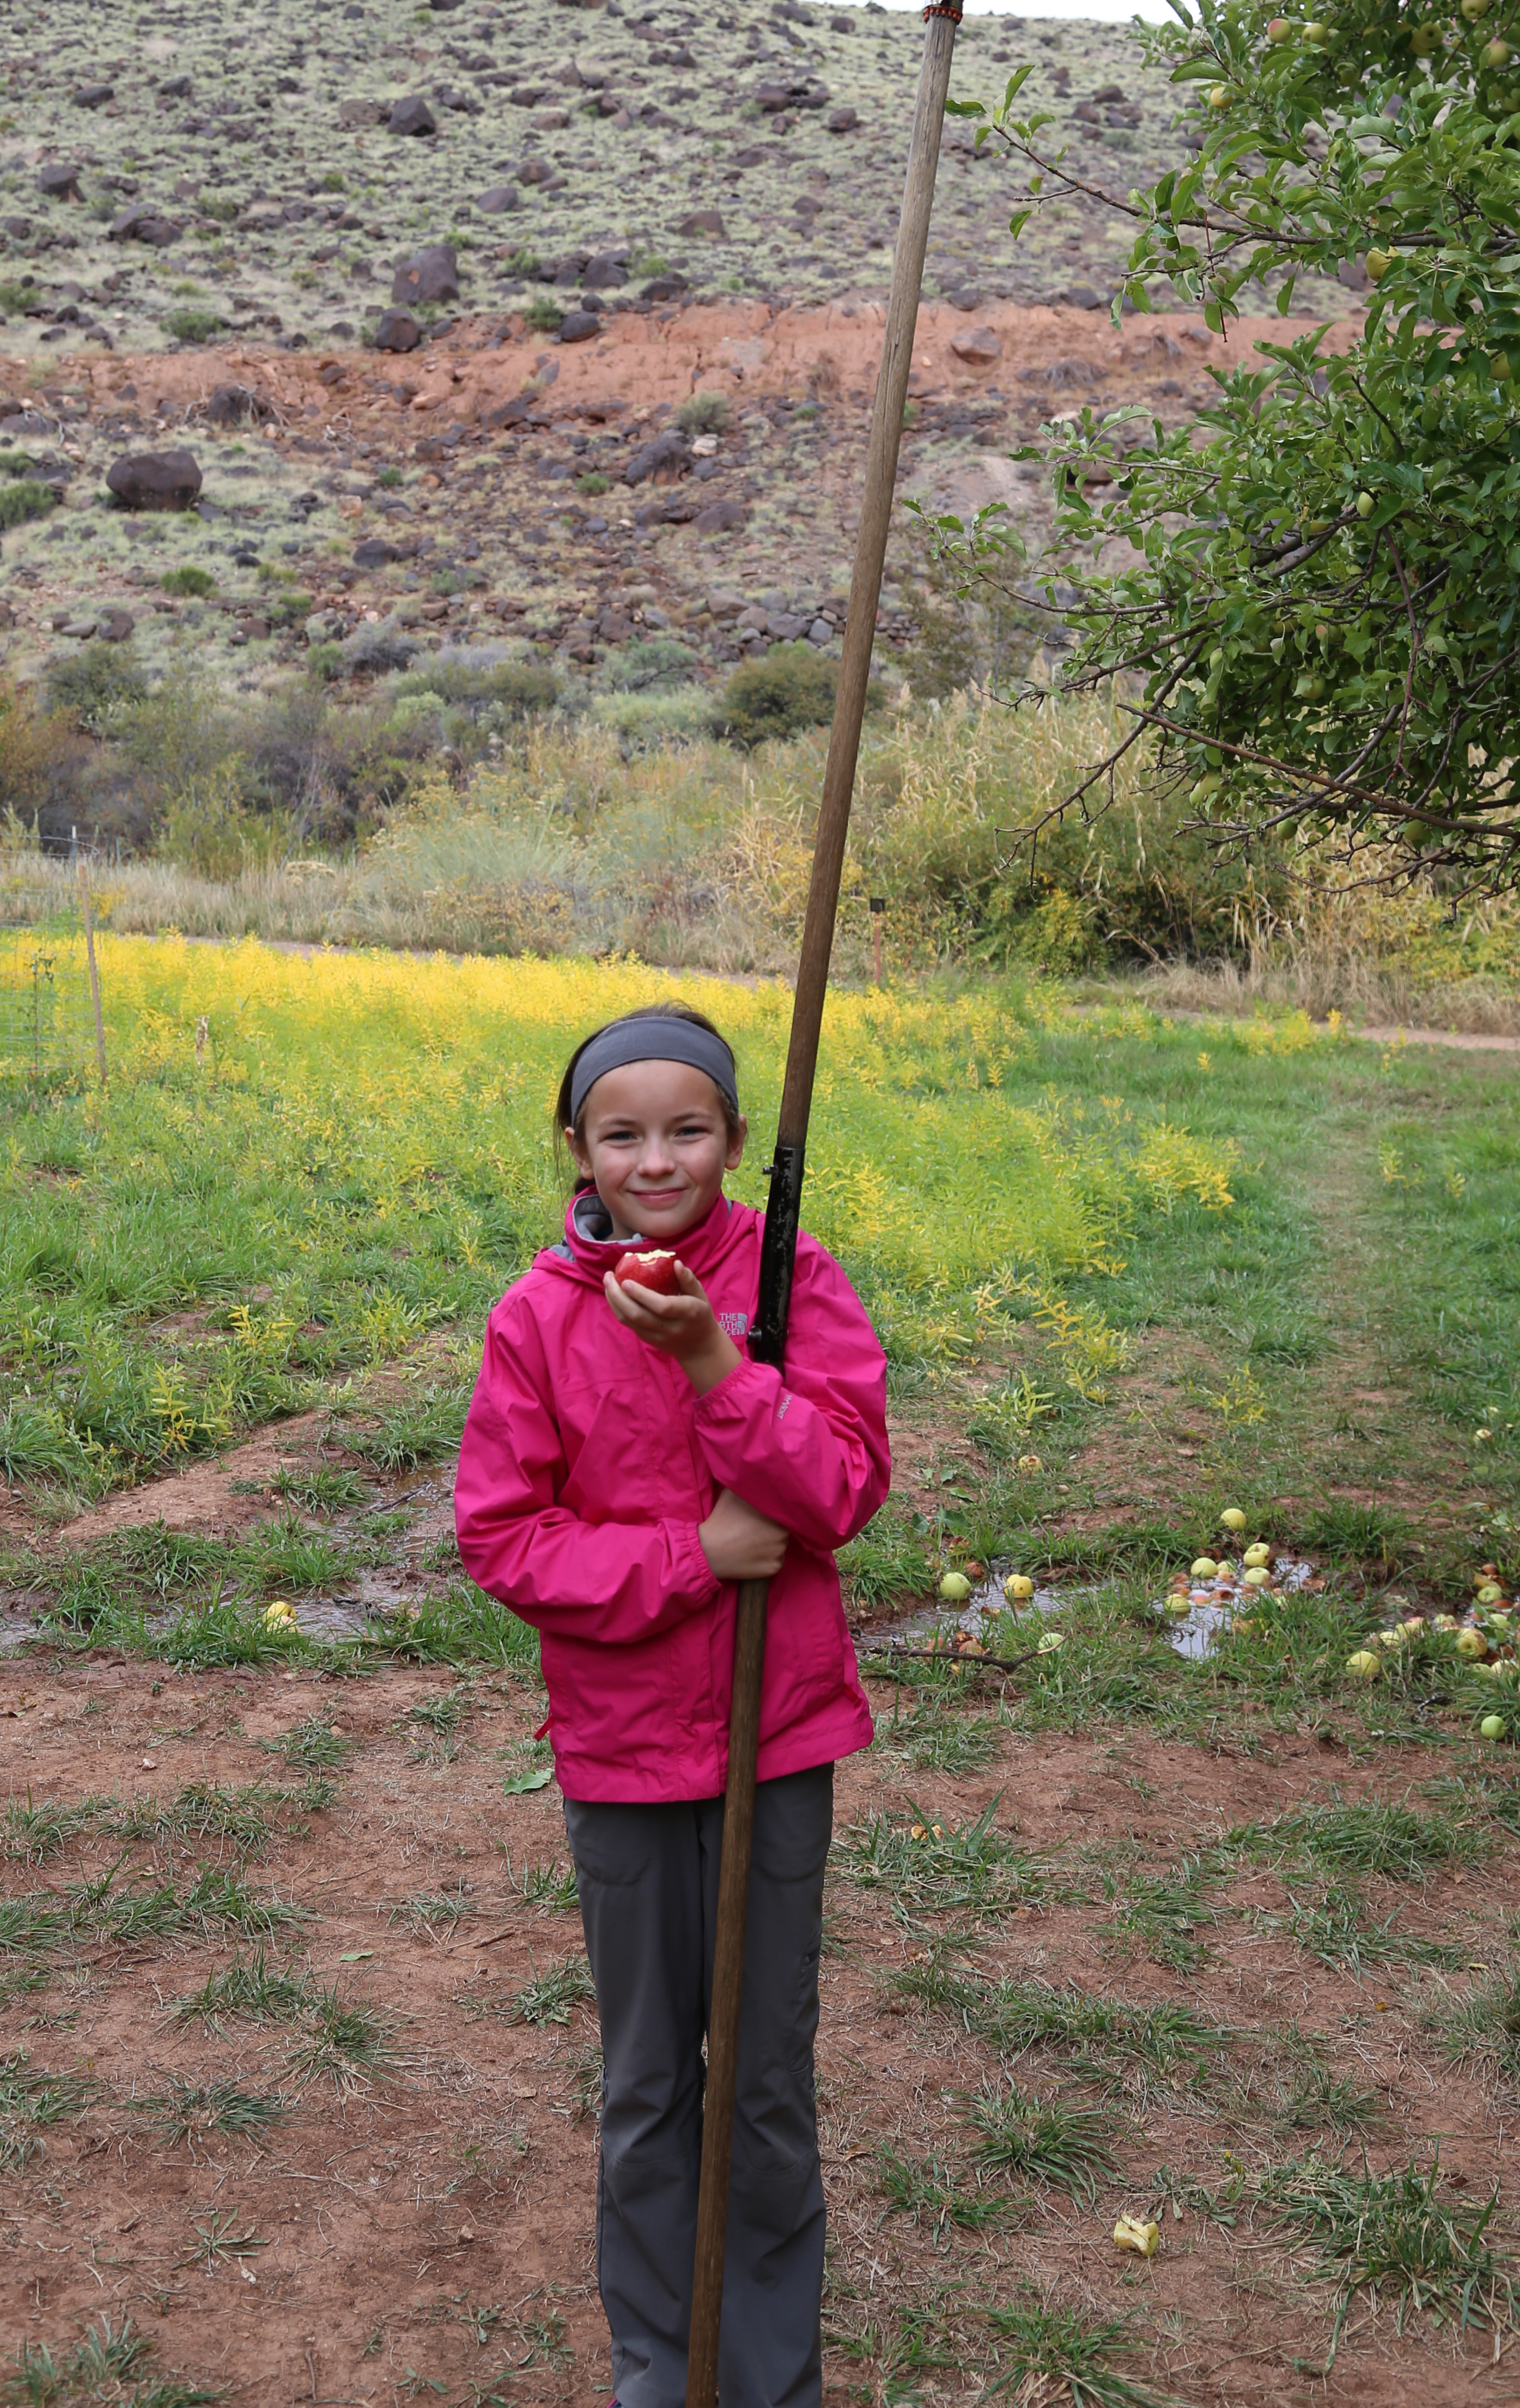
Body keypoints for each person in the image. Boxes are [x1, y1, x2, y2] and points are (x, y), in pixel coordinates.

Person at [455, 1002, 890, 2408]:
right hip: (623, 1753)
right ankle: (663, 2374)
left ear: (737, 1142)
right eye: (624, 1132)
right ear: (574, 1147)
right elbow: (504, 1539)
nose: (658, 1159)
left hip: (780, 1739)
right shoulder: (534, 1319)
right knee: (651, 2086)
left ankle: (767, 2385)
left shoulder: (790, 1280)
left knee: (763, 2084)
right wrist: (691, 1560)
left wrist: (717, 1365)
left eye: (689, 1129)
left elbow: (837, 1490)